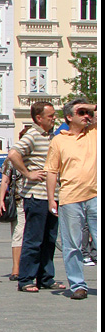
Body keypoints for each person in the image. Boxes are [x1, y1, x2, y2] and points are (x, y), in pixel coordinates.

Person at [7, 101, 64, 294]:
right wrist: (28, 173)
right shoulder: (32, 134)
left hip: (52, 196)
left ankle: (46, 277)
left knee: (49, 238)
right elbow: (13, 154)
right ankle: (25, 278)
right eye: (51, 116)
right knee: (33, 239)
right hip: (36, 195)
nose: (54, 118)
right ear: (39, 118)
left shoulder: (51, 136)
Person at [44, 99, 97, 300]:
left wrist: (91, 108)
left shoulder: (93, 132)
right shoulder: (59, 140)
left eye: (88, 112)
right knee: (72, 244)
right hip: (70, 198)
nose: (86, 116)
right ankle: (77, 285)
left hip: (95, 195)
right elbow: (51, 171)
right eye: (81, 112)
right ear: (69, 117)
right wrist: (51, 199)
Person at [0, 126, 29, 280]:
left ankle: (28, 268)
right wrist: (1, 200)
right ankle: (16, 269)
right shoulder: (12, 159)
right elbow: (5, 181)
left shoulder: (40, 158)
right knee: (18, 234)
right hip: (20, 200)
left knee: (28, 235)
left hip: (35, 199)